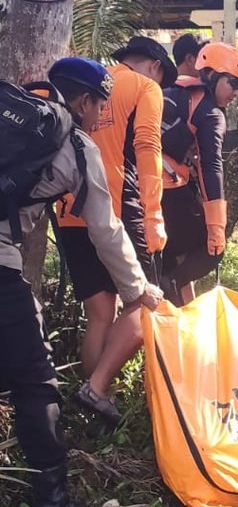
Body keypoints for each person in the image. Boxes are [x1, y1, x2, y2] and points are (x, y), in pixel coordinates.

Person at [0, 58, 162, 507]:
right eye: (100, 105)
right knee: (35, 379)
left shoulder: (15, 103)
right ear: (85, 100)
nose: (100, 116)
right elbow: (106, 230)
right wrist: (138, 292)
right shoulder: (75, 142)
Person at [56, 36, 177, 425]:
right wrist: (154, 212)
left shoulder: (86, 83)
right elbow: (147, 146)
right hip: (118, 208)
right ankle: (98, 387)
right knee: (143, 302)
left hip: (68, 209)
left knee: (98, 312)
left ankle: (90, 401)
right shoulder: (146, 88)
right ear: (155, 65)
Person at [161, 41, 238, 306]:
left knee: (176, 252)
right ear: (211, 75)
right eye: (232, 83)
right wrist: (216, 226)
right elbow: (211, 167)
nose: (236, 92)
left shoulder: (171, 90)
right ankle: (170, 284)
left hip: (138, 184)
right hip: (167, 186)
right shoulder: (210, 111)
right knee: (212, 250)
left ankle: (179, 306)